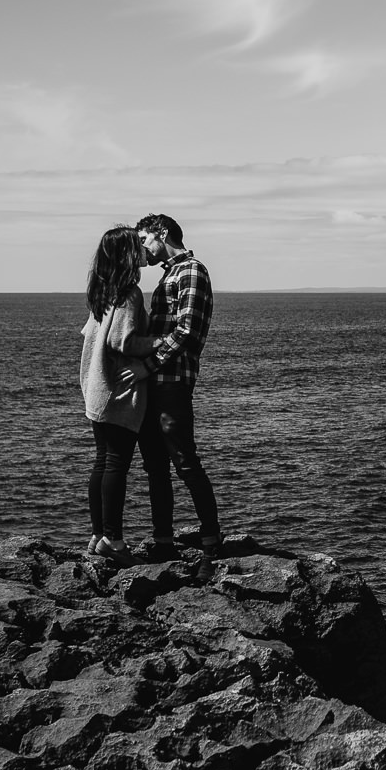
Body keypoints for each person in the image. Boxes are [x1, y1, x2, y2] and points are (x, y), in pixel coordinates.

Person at [135, 213, 223, 554]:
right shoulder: (170, 274)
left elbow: (186, 330)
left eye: (144, 240)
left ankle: (211, 536)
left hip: (172, 382)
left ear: (163, 233)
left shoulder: (191, 270)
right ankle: (163, 540)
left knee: (185, 461)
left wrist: (148, 365)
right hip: (156, 382)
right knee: (155, 465)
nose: (142, 250)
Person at [78, 225, 154, 565]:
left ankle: (98, 534)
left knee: (102, 462)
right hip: (117, 390)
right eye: (137, 245)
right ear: (128, 254)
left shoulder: (103, 290)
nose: (143, 250)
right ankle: (114, 539)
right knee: (116, 465)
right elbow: (121, 342)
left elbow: (94, 335)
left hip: (96, 390)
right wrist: (161, 341)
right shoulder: (129, 293)